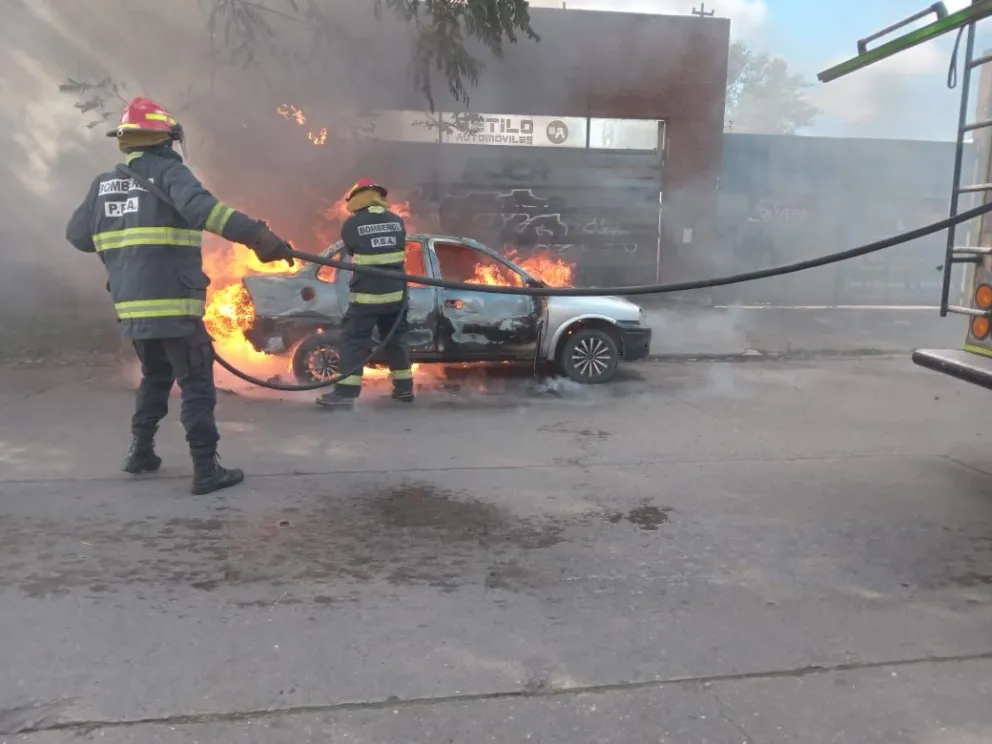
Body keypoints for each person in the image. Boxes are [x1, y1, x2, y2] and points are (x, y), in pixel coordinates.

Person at [65, 96, 295, 495]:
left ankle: (141, 452)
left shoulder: (102, 185)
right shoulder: (171, 172)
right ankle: (206, 470)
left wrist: (122, 238)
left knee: (155, 377)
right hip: (174, 302)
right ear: (166, 138)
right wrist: (260, 237)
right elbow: (207, 211)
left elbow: (78, 236)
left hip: (132, 307)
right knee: (196, 385)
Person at [316, 178, 414, 410]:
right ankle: (404, 389)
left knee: (354, 342)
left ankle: (345, 393)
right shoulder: (396, 221)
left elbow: (351, 251)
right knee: (397, 341)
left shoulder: (352, 225)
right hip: (396, 296)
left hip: (367, 298)